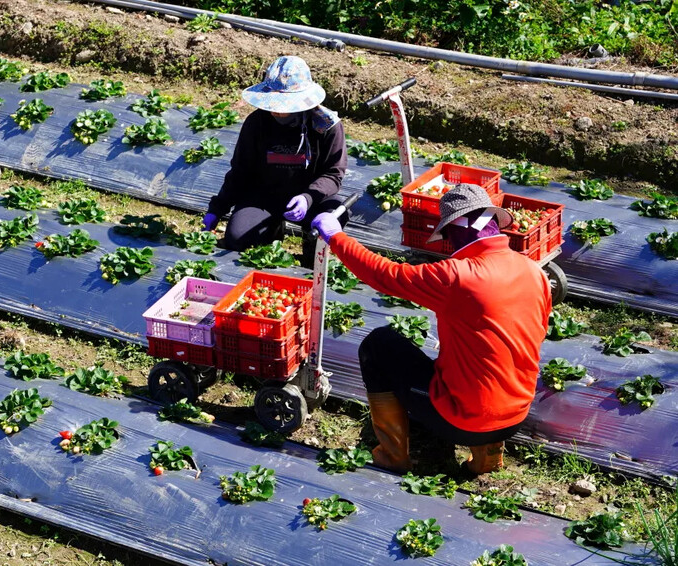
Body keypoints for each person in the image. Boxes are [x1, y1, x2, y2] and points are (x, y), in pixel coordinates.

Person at [311, 184, 552, 474]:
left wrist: (336, 236)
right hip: (515, 416)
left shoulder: (457, 276)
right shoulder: (534, 272)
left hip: (463, 421)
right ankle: (489, 456)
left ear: (455, 232)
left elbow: (385, 275)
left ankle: (393, 455)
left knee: (379, 345)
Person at [202, 55, 347, 264]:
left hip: (310, 197)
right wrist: (217, 208)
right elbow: (240, 171)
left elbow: (334, 174)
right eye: (275, 104)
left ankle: (312, 249)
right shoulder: (257, 123)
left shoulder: (326, 126)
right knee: (237, 238)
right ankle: (272, 230)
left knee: (334, 215)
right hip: (265, 196)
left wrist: (307, 198)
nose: (278, 111)